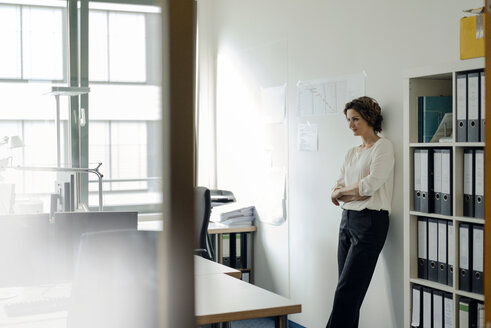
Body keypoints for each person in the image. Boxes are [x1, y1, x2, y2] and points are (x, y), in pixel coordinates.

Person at [326, 96, 395, 328]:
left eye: (355, 119)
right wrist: (349, 192)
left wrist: (346, 193)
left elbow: (371, 185)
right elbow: (336, 190)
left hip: (370, 222)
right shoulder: (351, 152)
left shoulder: (382, 147)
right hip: (347, 220)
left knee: (347, 291)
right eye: (348, 120)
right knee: (346, 290)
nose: (351, 125)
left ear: (369, 117)